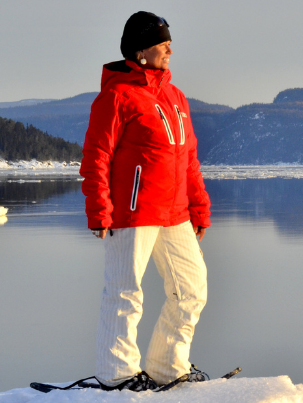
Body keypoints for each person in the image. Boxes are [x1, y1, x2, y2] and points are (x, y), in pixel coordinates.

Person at [79, 11, 211, 391]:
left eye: (168, 40)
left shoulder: (175, 97)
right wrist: (99, 210)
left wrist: (198, 207)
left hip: (175, 213)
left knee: (191, 289)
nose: (170, 48)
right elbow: (96, 156)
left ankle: (166, 367)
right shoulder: (116, 96)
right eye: (161, 41)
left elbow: (188, 159)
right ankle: (117, 374)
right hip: (133, 213)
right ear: (140, 50)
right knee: (125, 293)